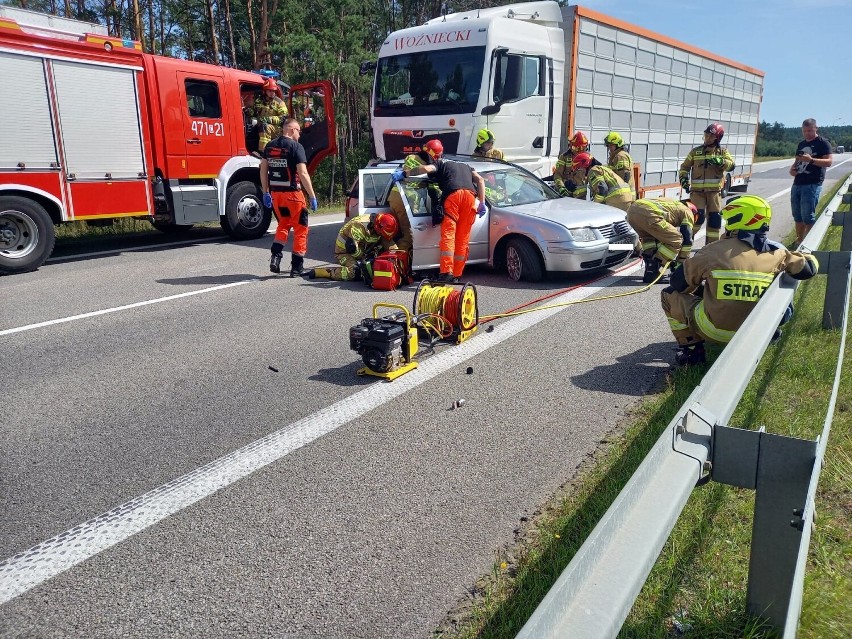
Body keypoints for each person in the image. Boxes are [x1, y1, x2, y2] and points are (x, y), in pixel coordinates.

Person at [661, 195, 818, 366]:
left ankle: (692, 352)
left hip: (713, 331)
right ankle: (772, 334)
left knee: (668, 295)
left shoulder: (712, 251)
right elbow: (810, 269)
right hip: (758, 331)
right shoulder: (778, 254)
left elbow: (677, 285)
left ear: (737, 219)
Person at [396, 158, 486, 282]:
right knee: (463, 239)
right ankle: (457, 275)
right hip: (470, 197)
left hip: (453, 197)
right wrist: (482, 202)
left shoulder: (439, 164)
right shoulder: (466, 166)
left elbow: (426, 169)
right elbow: (480, 180)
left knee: (449, 236)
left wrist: (405, 173)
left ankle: (446, 273)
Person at [260, 118, 318, 277]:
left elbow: (263, 169)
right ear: (292, 130)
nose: (299, 134)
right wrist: (312, 196)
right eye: (299, 130)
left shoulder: (270, 146)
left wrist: (265, 192)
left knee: (283, 225)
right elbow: (303, 173)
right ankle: (297, 267)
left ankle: (275, 258)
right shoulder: (296, 147)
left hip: (276, 196)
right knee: (301, 229)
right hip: (293, 195)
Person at [678, 123, 735, 244]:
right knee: (696, 218)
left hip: (714, 193)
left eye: (710, 136)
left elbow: (731, 165)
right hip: (697, 193)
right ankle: (686, 242)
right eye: (706, 135)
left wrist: (721, 161)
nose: (707, 138)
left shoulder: (722, 152)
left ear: (717, 138)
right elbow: (684, 167)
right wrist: (683, 179)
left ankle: (711, 247)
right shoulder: (695, 152)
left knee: (714, 220)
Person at [388, 140, 444, 251]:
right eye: (438, 156)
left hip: (394, 197)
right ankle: (397, 261)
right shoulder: (430, 167)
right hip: (408, 202)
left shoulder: (411, 157)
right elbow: (435, 191)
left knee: (396, 233)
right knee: (409, 238)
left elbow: (407, 171)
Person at [308, 213, 398, 281]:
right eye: (380, 233)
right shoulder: (360, 226)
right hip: (344, 252)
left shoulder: (382, 223)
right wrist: (364, 260)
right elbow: (351, 248)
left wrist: (398, 257)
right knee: (354, 273)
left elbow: (388, 241)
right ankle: (325, 272)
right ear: (377, 227)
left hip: (361, 248)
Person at [626, 198, 698, 283]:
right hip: (648, 213)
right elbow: (687, 238)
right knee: (676, 239)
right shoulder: (688, 211)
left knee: (649, 239)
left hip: (632, 211)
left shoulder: (673, 205)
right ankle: (653, 270)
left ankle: (650, 268)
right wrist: (680, 262)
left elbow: (661, 236)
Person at [789, 118, 833, 245]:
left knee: (808, 216)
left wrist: (811, 160)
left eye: (809, 130)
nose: (807, 133)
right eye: (804, 131)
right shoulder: (801, 144)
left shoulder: (823, 143)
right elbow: (797, 160)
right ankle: (799, 240)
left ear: (816, 128)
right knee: (797, 215)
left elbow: (829, 162)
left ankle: (808, 243)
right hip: (797, 183)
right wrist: (793, 169)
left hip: (812, 183)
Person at [252, 77, 289, 153]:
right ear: (265, 91)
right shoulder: (259, 101)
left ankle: (263, 152)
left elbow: (283, 118)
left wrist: (268, 119)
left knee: (265, 127)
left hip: (277, 129)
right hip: (261, 125)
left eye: (274, 91)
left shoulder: (279, 102)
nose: (273, 93)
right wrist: (248, 111)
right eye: (270, 91)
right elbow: (254, 111)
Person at [553, 131, 590, 199]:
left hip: (581, 196)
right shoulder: (564, 157)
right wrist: (561, 187)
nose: (578, 151)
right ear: (571, 146)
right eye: (575, 148)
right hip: (566, 193)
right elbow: (557, 174)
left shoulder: (588, 158)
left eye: (581, 148)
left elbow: (593, 174)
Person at [603, 131, 636, 196]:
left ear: (618, 144)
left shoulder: (620, 156)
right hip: (622, 194)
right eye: (608, 146)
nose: (609, 148)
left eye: (611, 145)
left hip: (623, 195)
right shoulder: (616, 156)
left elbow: (625, 176)